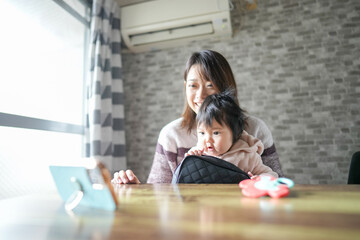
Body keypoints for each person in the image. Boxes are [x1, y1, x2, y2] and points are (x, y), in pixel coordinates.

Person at [112, 50, 283, 184]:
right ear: (185, 87)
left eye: (210, 85)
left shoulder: (256, 129)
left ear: (225, 89)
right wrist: (133, 187)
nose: (200, 95)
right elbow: (159, 192)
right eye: (193, 85)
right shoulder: (171, 135)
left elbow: (279, 184)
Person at [185, 90, 278, 178]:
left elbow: (271, 175)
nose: (207, 140)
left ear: (235, 133)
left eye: (216, 133)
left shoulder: (246, 156)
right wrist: (191, 159)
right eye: (202, 133)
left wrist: (260, 179)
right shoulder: (198, 154)